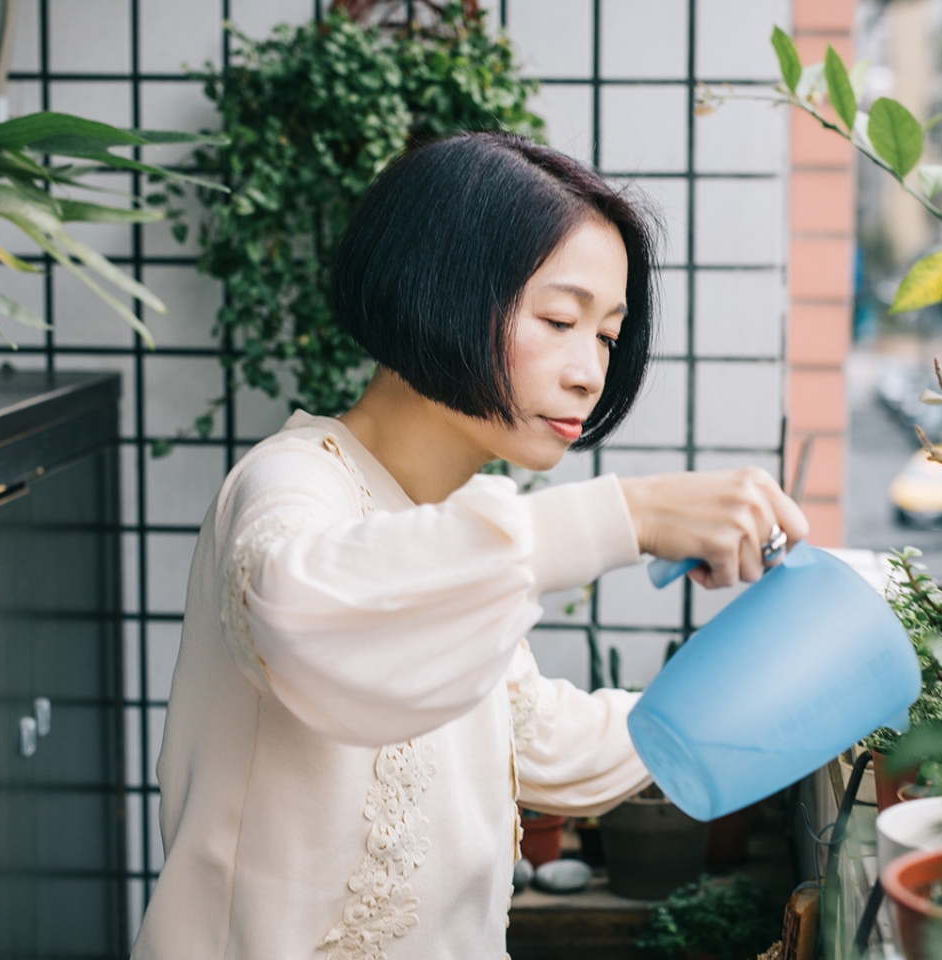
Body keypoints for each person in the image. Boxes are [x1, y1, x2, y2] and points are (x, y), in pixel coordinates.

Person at [131, 132, 809, 960]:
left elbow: (548, 740)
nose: (590, 372)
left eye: (606, 335)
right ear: (439, 291)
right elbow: (298, 608)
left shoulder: (444, 521)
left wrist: (796, 668)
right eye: (560, 319)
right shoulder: (290, 482)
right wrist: (622, 518)